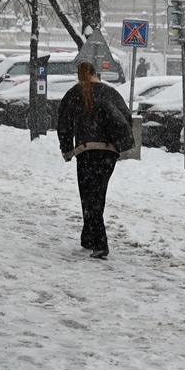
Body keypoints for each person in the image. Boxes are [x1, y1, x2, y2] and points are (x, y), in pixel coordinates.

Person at [57, 61, 132, 260]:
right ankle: (88, 237)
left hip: (86, 151)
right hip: (108, 153)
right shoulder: (111, 93)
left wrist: (66, 149)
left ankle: (100, 243)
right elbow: (126, 118)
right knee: (98, 195)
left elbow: (63, 124)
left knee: (89, 197)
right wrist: (116, 142)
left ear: (79, 76)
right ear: (96, 74)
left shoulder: (74, 94)